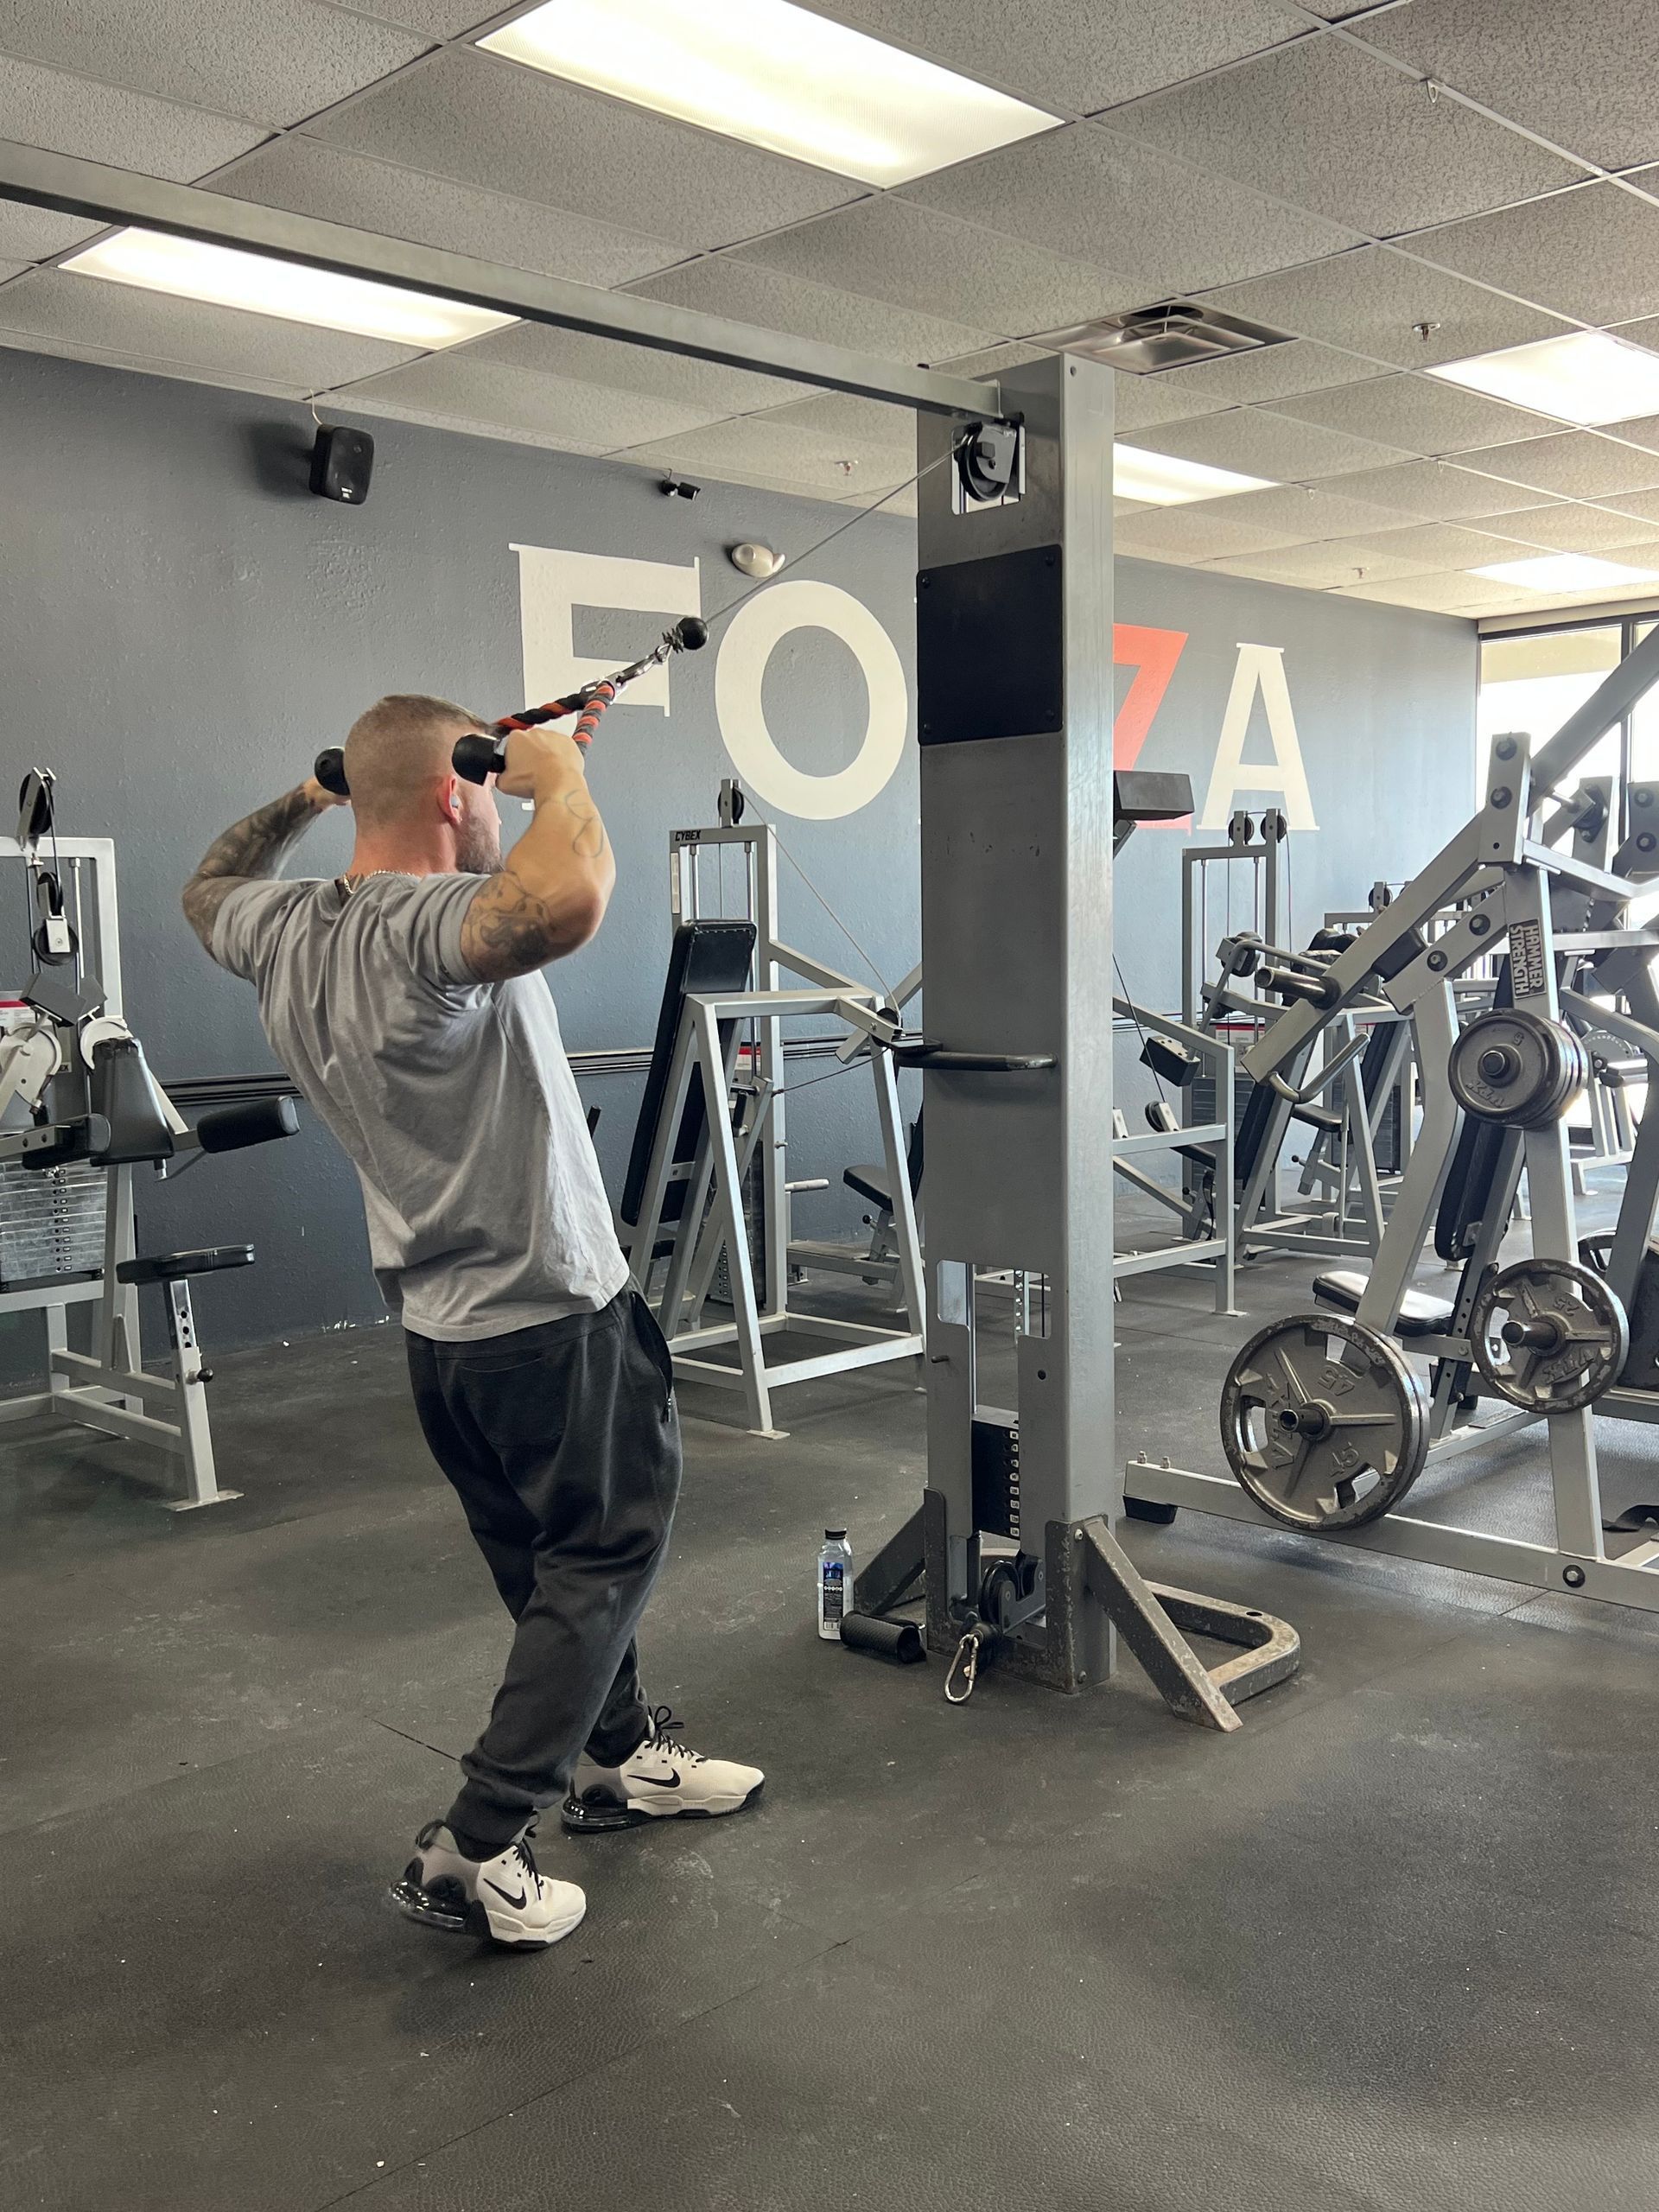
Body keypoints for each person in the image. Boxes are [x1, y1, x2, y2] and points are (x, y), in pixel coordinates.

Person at [182, 693, 764, 1950]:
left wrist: (305, 796)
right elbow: (567, 899)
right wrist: (557, 780)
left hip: (444, 1335)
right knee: (604, 1557)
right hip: (547, 1314)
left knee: (551, 1572)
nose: (497, 807)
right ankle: (479, 1843)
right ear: (457, 793)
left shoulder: (284, 926)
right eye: (482, 790)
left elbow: (206, 884)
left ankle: (617, 1759)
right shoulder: (430, 926)